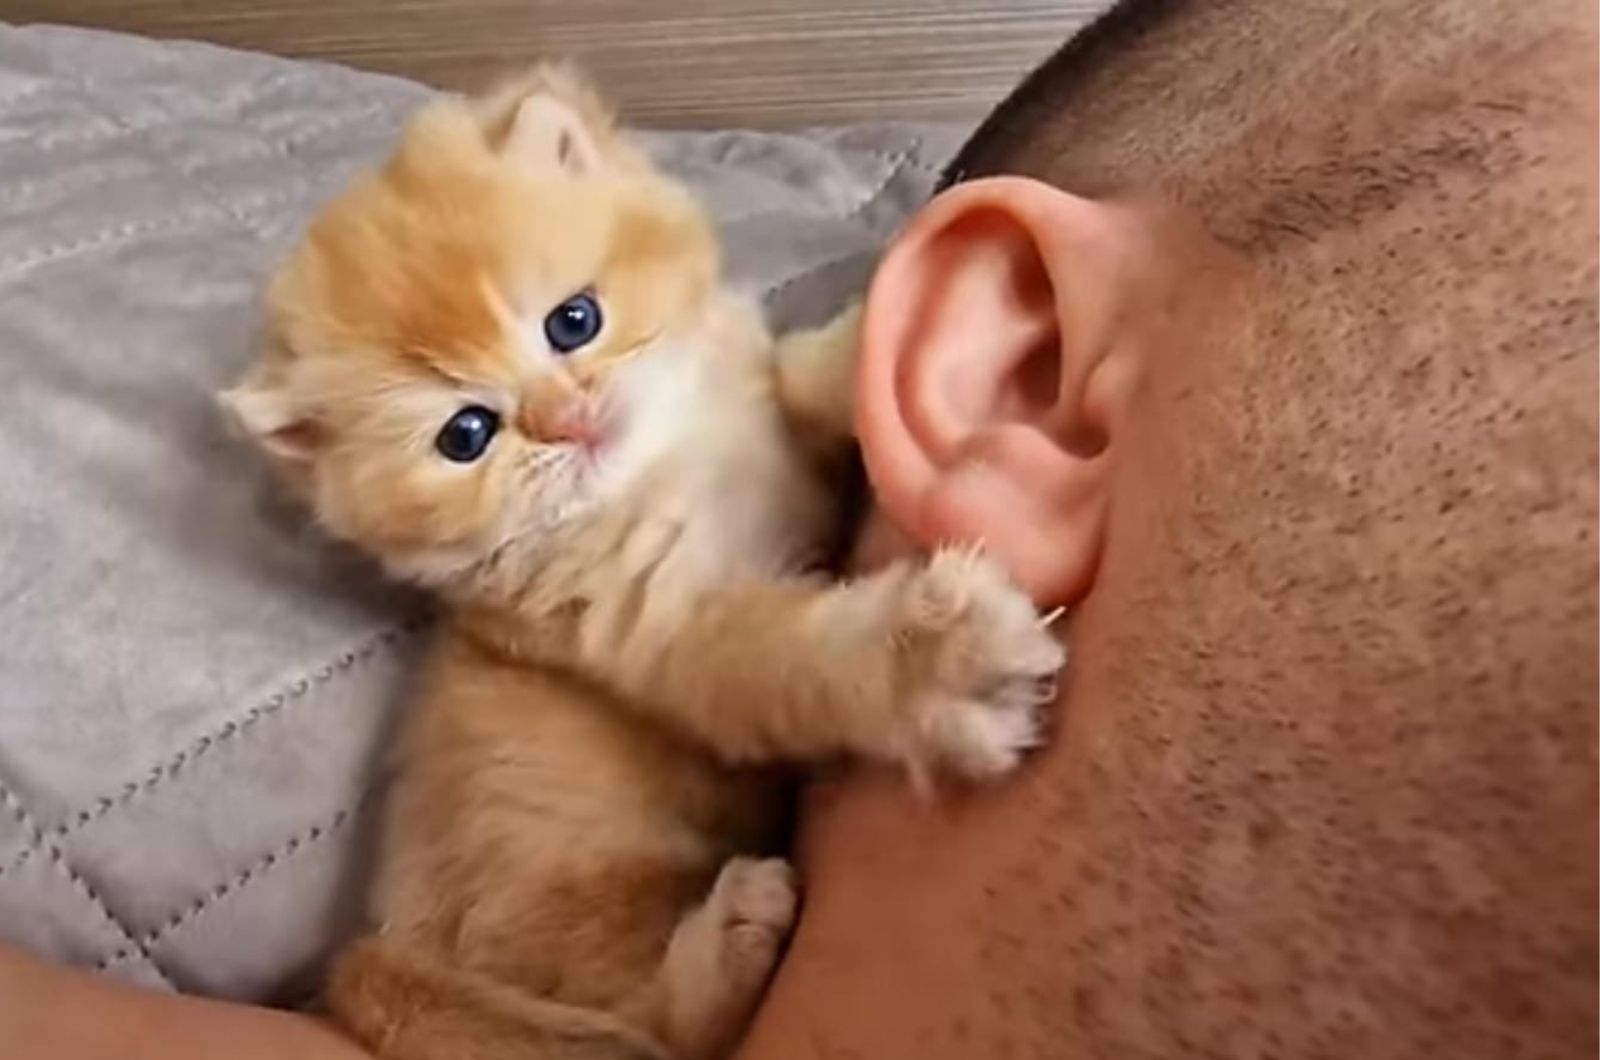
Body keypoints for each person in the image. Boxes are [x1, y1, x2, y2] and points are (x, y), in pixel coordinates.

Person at [1, 0, 1593, 1056]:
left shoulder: (715, 371)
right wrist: (868, 661)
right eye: (471, 430)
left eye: (568, 319)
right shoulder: (548, 577)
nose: (563, 417)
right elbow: (710, 648)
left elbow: (779, 383)